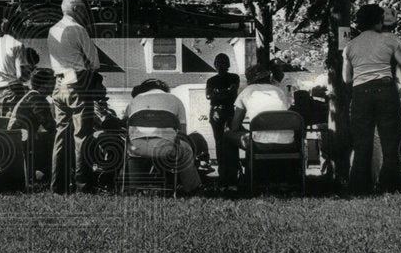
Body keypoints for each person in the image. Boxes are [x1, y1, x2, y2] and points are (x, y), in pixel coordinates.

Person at [343, 3, 401, 195]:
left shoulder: (350, 46)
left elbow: (347, 78)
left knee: (362, 142)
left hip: (360, 93)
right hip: (385, 90)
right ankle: (390, 185)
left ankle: (359, 187)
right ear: (379, 21)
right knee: (390, 141)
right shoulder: (389, 42)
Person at [48, 0, 100, 194]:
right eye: (84, 9)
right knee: (82, 136)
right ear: (77, 10)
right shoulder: (78, 29)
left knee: (61, 136)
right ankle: (83, 186)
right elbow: (94, 62)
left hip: (58, 84)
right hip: (77, 84)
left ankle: (58, 186)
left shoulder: (53, 29)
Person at [123, 79, 203, 195]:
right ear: (165, 89)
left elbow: (127, 126)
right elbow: (182, 134)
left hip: (136, 148)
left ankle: (135, 188)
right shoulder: (175, 100)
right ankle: (192, 189)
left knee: (133, 151)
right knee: (185, 149)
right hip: (165, 148)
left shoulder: (135, 100)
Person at [221, 64, 292, 189]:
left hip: (260, 144)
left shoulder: (247, 92)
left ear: (250, 80)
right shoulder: (279, 91)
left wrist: (230, 126)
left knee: (228, 136)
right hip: (286, 142)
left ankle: (231, 180)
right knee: (254, 133)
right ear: (268, 77)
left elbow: (235, 125)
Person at [7, 68, 56, 182]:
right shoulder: (37, 98)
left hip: (19, 138)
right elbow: (49, 125)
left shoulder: (32, 96)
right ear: (43, 85)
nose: (54, 86)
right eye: (52, 83)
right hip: (19, 141)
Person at [205, 53, 240, 182]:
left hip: (230, 111)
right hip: (216, 112)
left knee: (232, 141)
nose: (221, 65)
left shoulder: (234, 77)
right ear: (215, 64)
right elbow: (209, 96)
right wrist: (225, 92)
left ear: (228, 64)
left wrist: (217, 93)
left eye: (223, 62)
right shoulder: (211, 80)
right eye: (218, 62)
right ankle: (223, 172)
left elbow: (233, 91)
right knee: (219, 142)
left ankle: (234, 170)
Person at [0, 17, 30, 116]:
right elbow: (20, 75)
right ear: (14, 28)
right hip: (12, 90)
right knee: (13, 124)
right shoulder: (17, 45)